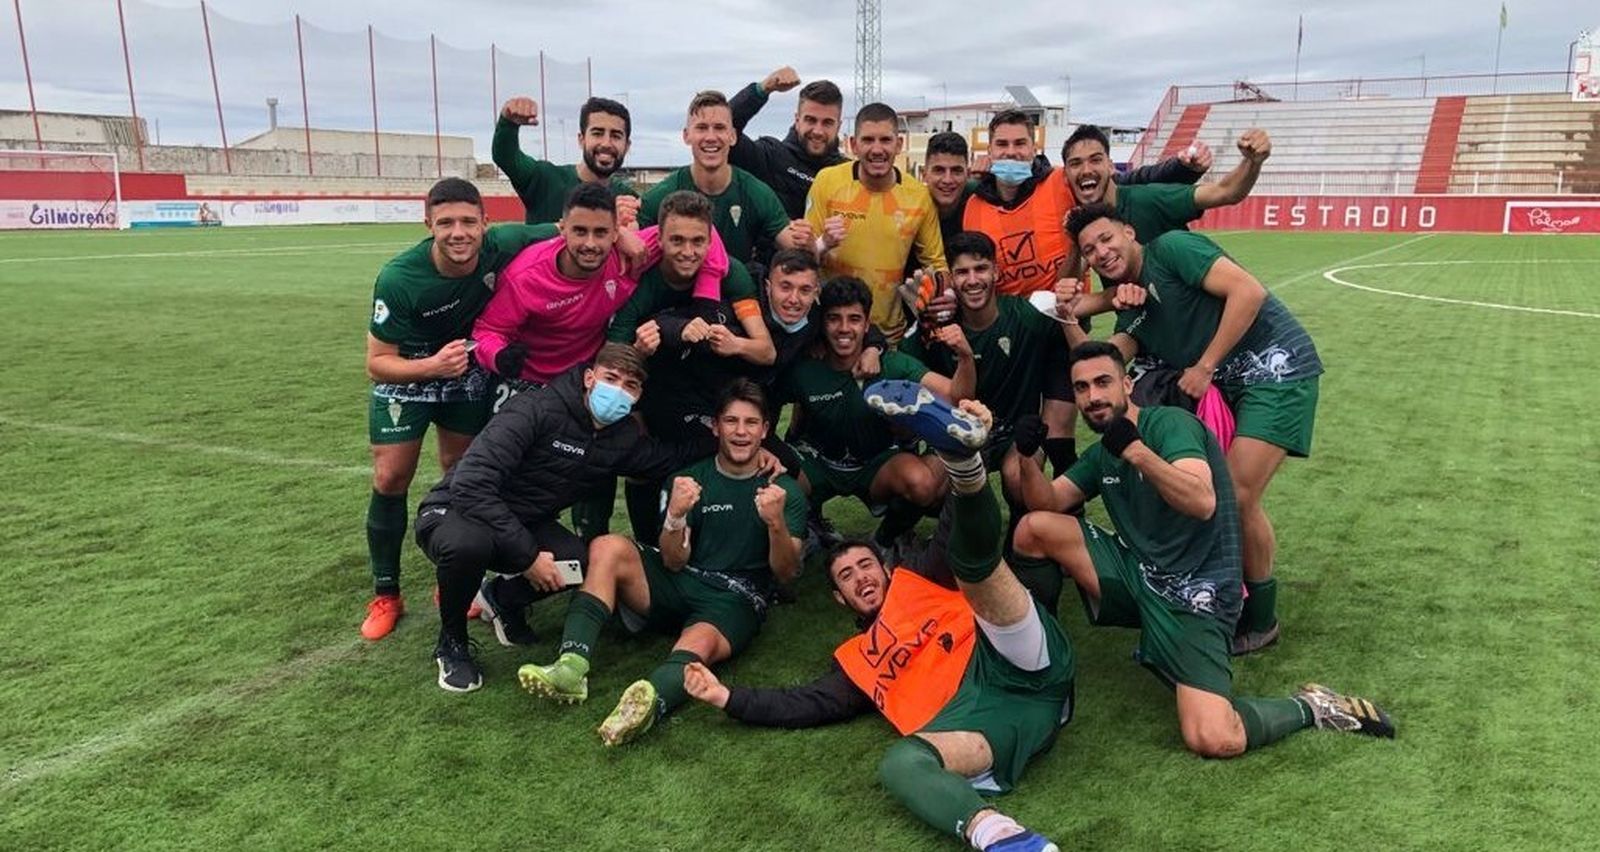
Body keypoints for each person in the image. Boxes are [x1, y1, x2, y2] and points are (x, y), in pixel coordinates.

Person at [685, 391, 1070, 852]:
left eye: (866, 566)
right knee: (900, 764)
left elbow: (953, 528)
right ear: (839, 597)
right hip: (987, 722)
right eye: (847, 575)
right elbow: (803, 703)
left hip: (1012, 656)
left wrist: (979, 454)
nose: (860, 577)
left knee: (973, 567)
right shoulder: (856, 664)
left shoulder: (916, 578)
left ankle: (963, 463)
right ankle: (1004, 839)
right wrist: (727, 696)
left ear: (886, 570)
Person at [1013, 342, 1390, 759]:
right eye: (1081, 388)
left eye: (1102, 382)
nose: (1092, 397)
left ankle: (1313, 707)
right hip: (1140, 571)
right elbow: (1046, 503)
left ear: (1126, 383)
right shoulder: (1103, 452)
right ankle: (1040, 666)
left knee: (1214, 737)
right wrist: (1029, 459)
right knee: (1033, 529)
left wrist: (1137, 453)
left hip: (1195, 592)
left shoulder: (1169, 425)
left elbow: (1201, 500)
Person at [416, 344, 760, 692]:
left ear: (639, 395)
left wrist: (742, 446)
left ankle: (500, 600)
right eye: (611, 378)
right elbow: (472, 484)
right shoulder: (534, 408)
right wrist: (528, 556)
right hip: (456, 510)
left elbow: (665, 457)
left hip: (523, 521)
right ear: (589, 378)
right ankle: (453, 643)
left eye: (631, 385)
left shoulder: (620, 436)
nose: (619, 391)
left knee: (579, 562)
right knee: (468, 545)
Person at [1061, 204, 1323, 654]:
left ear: (1129, 231)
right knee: (1224, 490)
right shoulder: (1134, 306)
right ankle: (1229, 592)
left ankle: (1260, 620)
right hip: (1231, 386)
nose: (1100, 253)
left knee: (1238, 495)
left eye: (1106, 239)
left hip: (1276, 370)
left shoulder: (1172, 248)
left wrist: (1205, 366)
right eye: (1089, 250)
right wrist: (1069, 316)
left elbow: (1249, 292)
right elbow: (1104, 362)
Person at [519, 380, 807, 746]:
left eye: (751, 423)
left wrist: (776, 523)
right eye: (731, 421)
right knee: (608, 546)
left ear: (766, 430)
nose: (740, 431)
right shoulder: (687, 481)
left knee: (697, 644)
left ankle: (647, 703)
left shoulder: (785, 492)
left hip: (733, 598)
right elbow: (672, 561)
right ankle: (570, 667)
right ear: (715, 426)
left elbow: (786, 573)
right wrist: (675, 517)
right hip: (680, 579)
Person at [360, 177, 557, 641]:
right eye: (446, 223)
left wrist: (625, 222)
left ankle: (453, 574)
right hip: (409, 372)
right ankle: (386, 592)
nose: (459, 232)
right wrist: (429, 366)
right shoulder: (399, 277)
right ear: (428, 224)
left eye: (469, 221)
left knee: (462, 474)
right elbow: (376, 363)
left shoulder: (502, 243)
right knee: (391, 476)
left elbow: (568, 228)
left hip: (467, 372)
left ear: (486, 224)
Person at [900, 232, 1074, 605]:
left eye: (981, 268)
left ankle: (1024, 542)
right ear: (952, 277)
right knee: (926, 484)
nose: (973, 279)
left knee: (1017, 476)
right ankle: (926, 538)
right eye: (962, 272)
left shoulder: (1025, 316)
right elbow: (900, 362)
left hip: (1015, 435)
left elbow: (1074, 314)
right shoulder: (936, 327)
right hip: (961, 435)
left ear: (996, 271)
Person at [604, 190, 777, 540]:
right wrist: (646, 346)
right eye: (677, 240)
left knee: (771, 460)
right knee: (639, 461)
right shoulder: (642, 276)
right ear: (659, 238)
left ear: (710, 239)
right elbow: (612, 358)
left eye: (698, 241)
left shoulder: (731, 272)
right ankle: (647, 545)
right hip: (653, 384)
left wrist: (734, 342)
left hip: (707, 385)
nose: (687, 251)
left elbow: (766, 351)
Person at [777, 276, 974, 554]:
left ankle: (885, 540)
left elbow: (955, 396)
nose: (844, 328)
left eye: (854, 319)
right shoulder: (806, 368)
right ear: (823, 324)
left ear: (867, 325)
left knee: (922, 483)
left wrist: (965, 358)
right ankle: (805, 528)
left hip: (876, 464)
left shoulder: (891, 364)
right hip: (820, 462)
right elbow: (762, 401)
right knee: (773, 486)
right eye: (834, 319)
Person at [964, 112, 1211, 296]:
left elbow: (1122, 182)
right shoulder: (974, 204)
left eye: (1020, 143)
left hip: (1070, 318)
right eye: (1002, 144)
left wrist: (1181, 168)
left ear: (1033, 148)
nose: (1011, 152)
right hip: (1014, 324)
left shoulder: (1059, 181)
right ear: (990, 150)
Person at [806, 102, 945, 340]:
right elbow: (803, 258)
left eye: (885, 140)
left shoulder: (918, 196)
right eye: (868, 140)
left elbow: (937, 264)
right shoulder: (826, 181)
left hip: (890, 335)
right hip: (832, 334)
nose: (877, 149)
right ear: (853, 144)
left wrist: (941, 295)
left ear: (899, 144)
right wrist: (822, 244)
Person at [637, 90, 806, 266]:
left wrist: (815, 242)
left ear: (732, 136)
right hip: (678, 289)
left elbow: (795, 248)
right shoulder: (664, 193)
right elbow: (630, 238)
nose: (711, 137)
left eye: (719, 128)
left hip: (737, 291)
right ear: (686, 136)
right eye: (702, 128)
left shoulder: (755, 191)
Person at [1060, 123, 1266, 244]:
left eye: (1096, 160)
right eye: (1076, 163)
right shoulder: (1086, 226)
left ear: (1111, 166)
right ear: (1066, 174)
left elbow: (1227, 192)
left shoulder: (1148, 199)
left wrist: (1252, 161)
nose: (1086, 170)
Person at [492, 95, 638, 224]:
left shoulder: (628, 200)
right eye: (597, 133)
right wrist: (508, 124)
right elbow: (506, 157)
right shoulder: (545, 179)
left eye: (616, 136)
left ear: (627, 146)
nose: (606, 143)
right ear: (581, 140)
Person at [728, 66, 848, 219]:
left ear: (839, 126)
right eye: (810, 120)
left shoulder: (849, 173)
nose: (818, 131)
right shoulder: (769, 156)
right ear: (797, 120)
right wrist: (761, 89)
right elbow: (722, 131)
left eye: (827, 123)